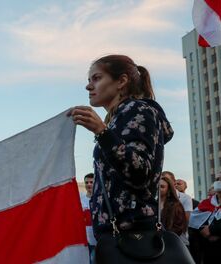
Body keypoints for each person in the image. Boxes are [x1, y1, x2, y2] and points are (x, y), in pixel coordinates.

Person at [69, 54, 174, 238]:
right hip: (118, 233)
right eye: (89, 80)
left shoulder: (137, 110)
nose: (88, 86)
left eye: (97, 78)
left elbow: (140, 172)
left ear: (121, 81)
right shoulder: (119, 118)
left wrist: (102, 132)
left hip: (133, 234)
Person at [189, 175, 221, 263]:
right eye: (217, 179)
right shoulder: (206, 203)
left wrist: (212, 230)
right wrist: (202, 231)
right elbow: (193, 223)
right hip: (208, 250)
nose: (219, 181)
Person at [162, 171, 193, 246]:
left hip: (179, 241)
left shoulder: (184, 199)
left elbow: (185, 220)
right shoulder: (157, 199)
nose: (163, 182)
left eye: (167, 180)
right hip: (161, 240)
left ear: (173, 182)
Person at [79, 173, 96, 263]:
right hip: (85, 241)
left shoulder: (100, 200)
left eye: (91, 182)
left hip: (97, 241)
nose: (88, 184)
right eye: (86, 182)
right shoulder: (80, 199)